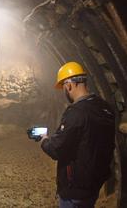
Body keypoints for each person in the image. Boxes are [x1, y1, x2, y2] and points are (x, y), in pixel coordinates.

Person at [40, 62, 115, 208]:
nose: (65, 91)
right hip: (95, 182)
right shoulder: (105, 107)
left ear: (69, 85)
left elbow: (56, 149)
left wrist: (44, 140)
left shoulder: (76, 112)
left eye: (64, 88)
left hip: (75, 187)